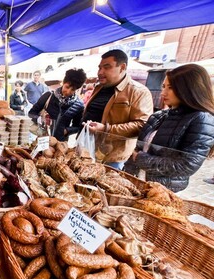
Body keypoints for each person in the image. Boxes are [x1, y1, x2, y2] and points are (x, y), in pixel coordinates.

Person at [124, 64, 214, 192]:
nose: (163, 93)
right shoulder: (159, 115)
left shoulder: (201, 119)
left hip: (161, 191)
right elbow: (141, 147)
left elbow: (187, 165)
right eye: (163, 86)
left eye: (171, 88)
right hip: (136, 182)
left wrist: (140, 158)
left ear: (189, 89)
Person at [81, 49, 153, 169]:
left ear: (122, 67)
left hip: (112, 157)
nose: (100, 72)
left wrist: (106, 129)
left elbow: (142, 125)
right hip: (88, 149)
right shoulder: (98, 88)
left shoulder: (138, 91)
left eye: (107, 67)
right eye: (99, 68)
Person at [28, 68, 87, 141]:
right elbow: (31, 113)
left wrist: (66, 131)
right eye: (67, 87)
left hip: (61, 142)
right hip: (43, 138)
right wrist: (40, 119)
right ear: (63, 82)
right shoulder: (48, 96)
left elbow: (77, 126)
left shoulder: (79, 105)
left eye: (73, 90)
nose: (68, 92)